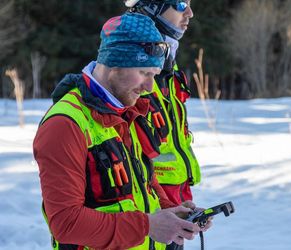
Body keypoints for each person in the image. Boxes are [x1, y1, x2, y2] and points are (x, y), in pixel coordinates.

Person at [33, 13, 206, 250]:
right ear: (115, 62)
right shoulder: (64, 125)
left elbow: (145, 184)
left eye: (154, 76)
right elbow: (66, 223)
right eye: (144, 73)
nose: (149, 88)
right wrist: (147, 226)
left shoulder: (128, 110)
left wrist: (170, 212)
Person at [124, 1, 202, 248]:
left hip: (174, 205)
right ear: (151, 6)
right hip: (145, 213)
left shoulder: (169, 64)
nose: (190, 13)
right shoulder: (128, 67)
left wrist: (178, 205)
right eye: (181, 4)